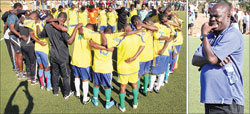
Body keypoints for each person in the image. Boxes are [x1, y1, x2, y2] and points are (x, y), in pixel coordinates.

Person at [192, 2, 244, 114]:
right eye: (211, 15)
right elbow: (194, 60)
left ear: (228, 16)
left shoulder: (232, 34)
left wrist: (204, 36)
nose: (212, 19)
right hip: (211, 98)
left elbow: (211, 59)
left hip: (227, 101)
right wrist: (212, 59)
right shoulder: (211, 36)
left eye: (216, 16)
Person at [38, 12, 81, 99]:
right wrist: (76, 29)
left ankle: (56, 91)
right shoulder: (62, 29)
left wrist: (37, 25)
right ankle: (66, 93)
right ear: (64, 20)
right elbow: (69, 41)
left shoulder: (47, 26)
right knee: (66, 75)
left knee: (55, 73)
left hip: (53, 54)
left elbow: (41, 35)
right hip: (62, 55)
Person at [6, 3, 26, 79]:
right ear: (18, 8)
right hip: (14, 38)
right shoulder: (12, 16)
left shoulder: (13, 15)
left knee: (17, 55)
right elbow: (12, 28)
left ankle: (19, 70)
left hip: (14, 37)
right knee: (19, 55)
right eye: (21, 8)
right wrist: (20, 35)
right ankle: (20, 74)